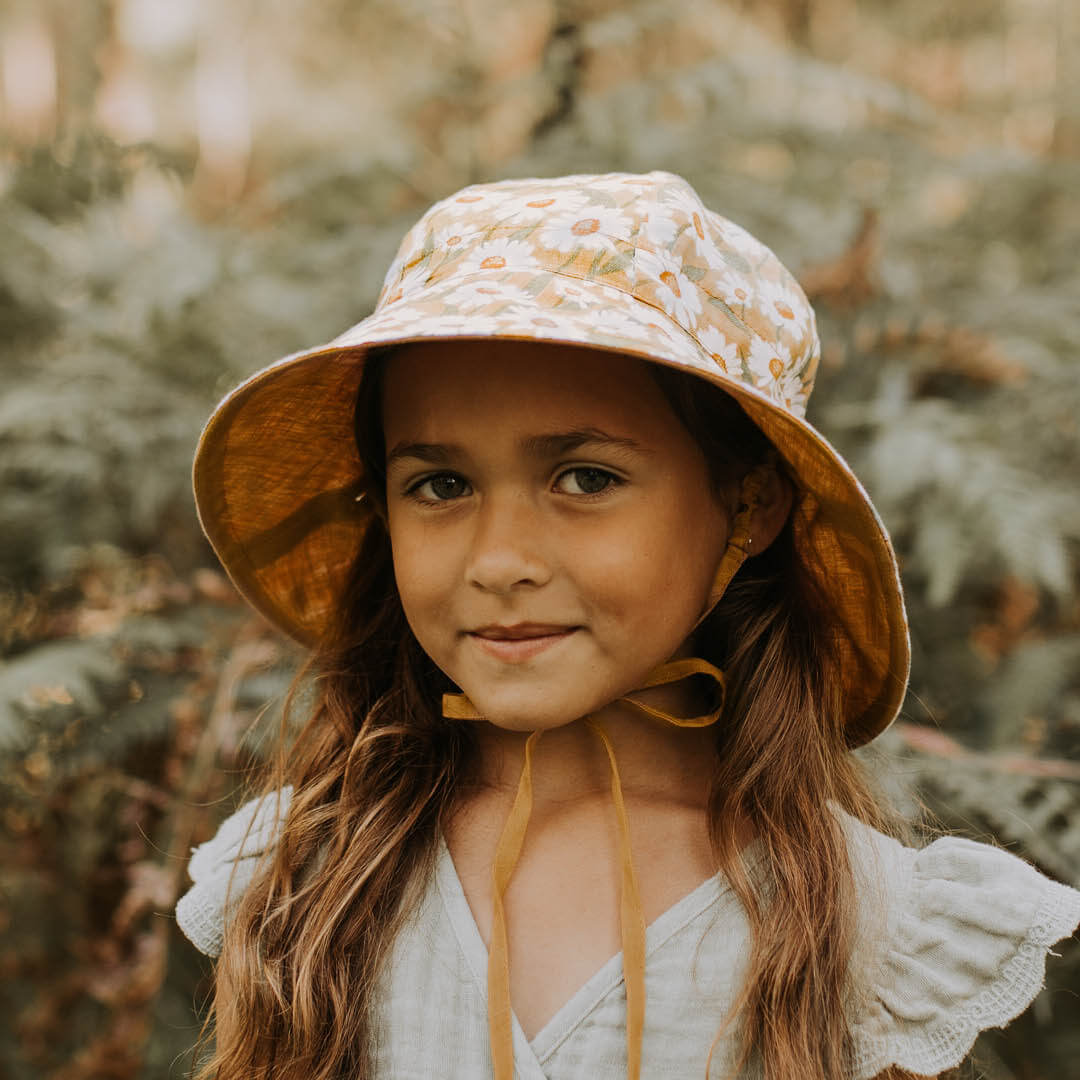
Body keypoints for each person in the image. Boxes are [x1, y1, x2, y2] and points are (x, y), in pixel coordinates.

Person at [175, 171, 1080, 1080]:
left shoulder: (857, 921)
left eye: (586, 478)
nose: (499, 561)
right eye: (441, 486)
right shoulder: (310, 878)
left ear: (748, 505)